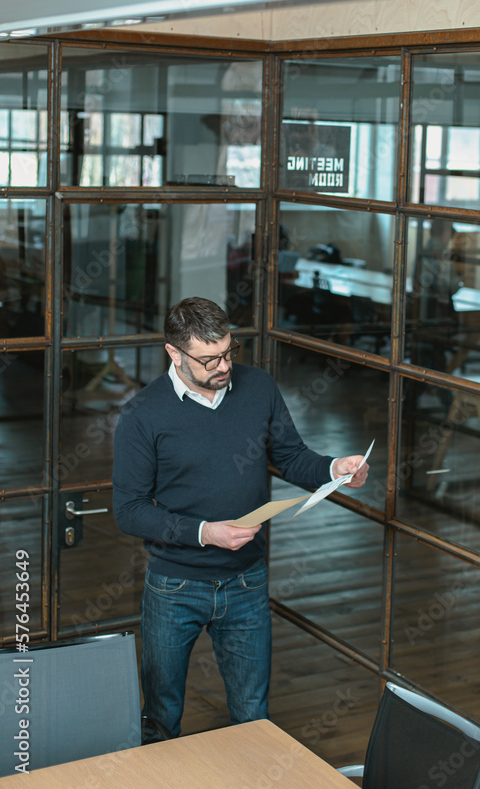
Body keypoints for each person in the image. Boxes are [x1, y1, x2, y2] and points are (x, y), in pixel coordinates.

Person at [112, 296, 368, 741]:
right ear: (174, 353)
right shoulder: (142, 415)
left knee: (253, 721)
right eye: (209, 358)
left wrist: (333, 468)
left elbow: (291, 457)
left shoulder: (259, 387)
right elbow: (129, 510)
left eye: (228, 352)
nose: (224, 365)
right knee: (160, 719)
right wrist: (204, 533)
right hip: (175, 587)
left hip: (247, 582)